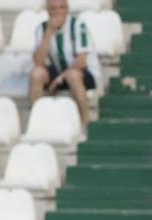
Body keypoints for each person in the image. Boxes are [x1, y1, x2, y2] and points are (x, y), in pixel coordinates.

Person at [30, 0, 99, 128]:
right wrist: (49, 33)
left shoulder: (78, 25)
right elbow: (38, 62)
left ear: (67, 9)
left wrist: (59, 79)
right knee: (36, 74)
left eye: (62, 8)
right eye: (54, 8)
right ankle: (37, 121)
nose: (58, 12)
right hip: (59, 72)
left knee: (73, 75)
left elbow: (81, 61)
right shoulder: (42, 28)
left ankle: (85, 122)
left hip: (83, 74)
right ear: (48, 11)